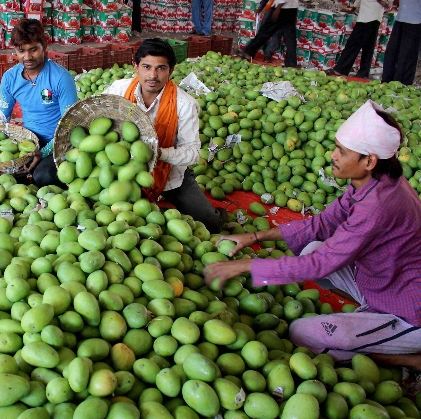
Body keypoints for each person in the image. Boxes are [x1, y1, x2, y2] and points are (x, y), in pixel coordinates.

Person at [202, 100, 421, 367]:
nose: (333, 156)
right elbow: (322, 225)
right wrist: (254, 237)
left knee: (302, 333)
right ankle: (370, 322)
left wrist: (245, 265)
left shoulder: (377, 206)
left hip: (409, 308)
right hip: (382, 280)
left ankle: (402, 357)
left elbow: (319, 266)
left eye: (342, 151)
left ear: (369, 160)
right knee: (312, 247)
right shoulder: (373, 182)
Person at [103, 38, 227, 233]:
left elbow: (194, 153)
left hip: (171, 173)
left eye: (161, 68)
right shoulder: (119, 89)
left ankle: (215, 213)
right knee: (118, 218)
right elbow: (98, 118)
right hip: (123, 170)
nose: (153, 75)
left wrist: (158, 153)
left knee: (209, 223)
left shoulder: (185, 104)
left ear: (171, 70)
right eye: (146, 66)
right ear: (136, 66)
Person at [0, 19, 78, 186]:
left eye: (33, 50)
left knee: (43, 176)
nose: (28, 57)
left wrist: (43, 152)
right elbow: (1, 116)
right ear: (14, 50)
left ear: (44, 47)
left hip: (58, 144)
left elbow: (71, 126)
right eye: (21, 51)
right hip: (27, 142)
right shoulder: (10, 78)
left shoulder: (61, 78)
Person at [326, 0, 386, 78]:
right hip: (367, 14)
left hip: (371, 14)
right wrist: (353, 8)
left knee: (355, 43)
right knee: (366, 45)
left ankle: (342, 69)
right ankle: (363, 72)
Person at [236, 0, 298, 68]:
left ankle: (248, 52)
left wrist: (277, 9)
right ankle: (291, 63)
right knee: (290, 37)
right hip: (292, 8)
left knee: (265, 31)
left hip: (282, 8)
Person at [382, 0, 421, 85]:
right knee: (391, 52)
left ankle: (402, 84)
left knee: (407, 55)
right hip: (400, 18)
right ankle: (387, 82)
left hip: (415, 21)